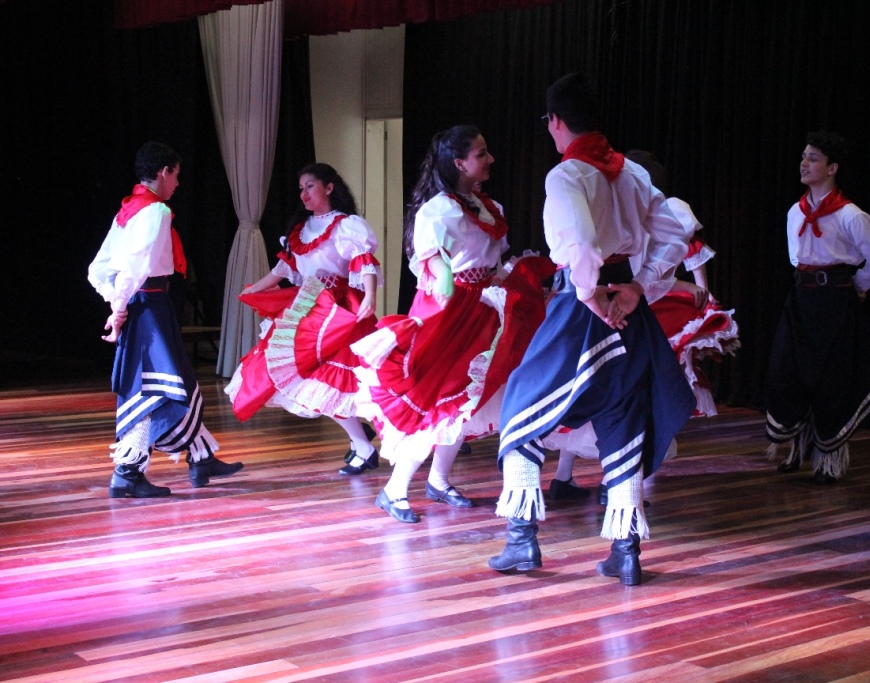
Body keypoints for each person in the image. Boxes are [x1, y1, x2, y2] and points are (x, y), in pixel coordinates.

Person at [488, 73, 696, 586]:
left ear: (556, 121)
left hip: (583, 306)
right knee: (622, 415)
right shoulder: (634, 174)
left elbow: (580, 245)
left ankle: (521, 538)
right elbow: (676, 234)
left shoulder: (567, 175)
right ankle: (626, 551)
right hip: (626, 304)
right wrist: (638, 287)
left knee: (520, 406)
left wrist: (589, 295)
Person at [352, 125, 552, 523]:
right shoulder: (438, 210)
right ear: (459, 163)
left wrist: (516, 282)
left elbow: (490, 263)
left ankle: (439, 480)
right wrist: (445, 278)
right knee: (435, 397)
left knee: (466, 400)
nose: (490, 159)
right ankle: (394, 490)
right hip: (448, 313)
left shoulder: (487, 207)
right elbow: (433, 261)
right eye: (481, 154)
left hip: (483, 311)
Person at [545, 150, 741, 502]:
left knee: (593, 384)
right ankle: (618, 484)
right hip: (632, 303)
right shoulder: (643, 204)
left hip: (612, 296)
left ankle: (576, 480)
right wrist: (685, 287)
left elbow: (678, 254)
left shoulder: (610, 202)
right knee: (626, 393)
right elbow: (668, 262)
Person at [88, 141, 243, 497]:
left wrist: (117, 301)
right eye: (176, 175)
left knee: (177, 382)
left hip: (146, 306)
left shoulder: (128, 210)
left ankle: (201, 456)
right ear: (163, 172)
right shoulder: (155, 211)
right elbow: (135, 266)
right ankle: (127, 472)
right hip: (149, 308)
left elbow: (98, 269)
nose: (177, 183)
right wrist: (119, 307)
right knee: (156, 389)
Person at [224, 163, 381, 474]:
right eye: (301, 189)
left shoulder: (346, 225)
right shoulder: (301, 229)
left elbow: (363, 262)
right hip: (308, 307)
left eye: (310, 186)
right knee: (301, 375)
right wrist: (254, 289)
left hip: (337, 310)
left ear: (329, 188)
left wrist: (370, 296)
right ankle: (360, 439)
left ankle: (363, 445)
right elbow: (283, 269)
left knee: (328, 378)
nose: (304, 194)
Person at [765, 131, 870, 484]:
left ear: (832, 168)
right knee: (789, 373)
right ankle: (795, 447)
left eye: (813, 158)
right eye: (803, 156)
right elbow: (795, 258)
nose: (804, 163)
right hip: (801, 300)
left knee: (832, 380)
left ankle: (828, 460)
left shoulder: (851, 216)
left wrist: (855, 288)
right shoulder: (796, 211)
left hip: (835, 303)